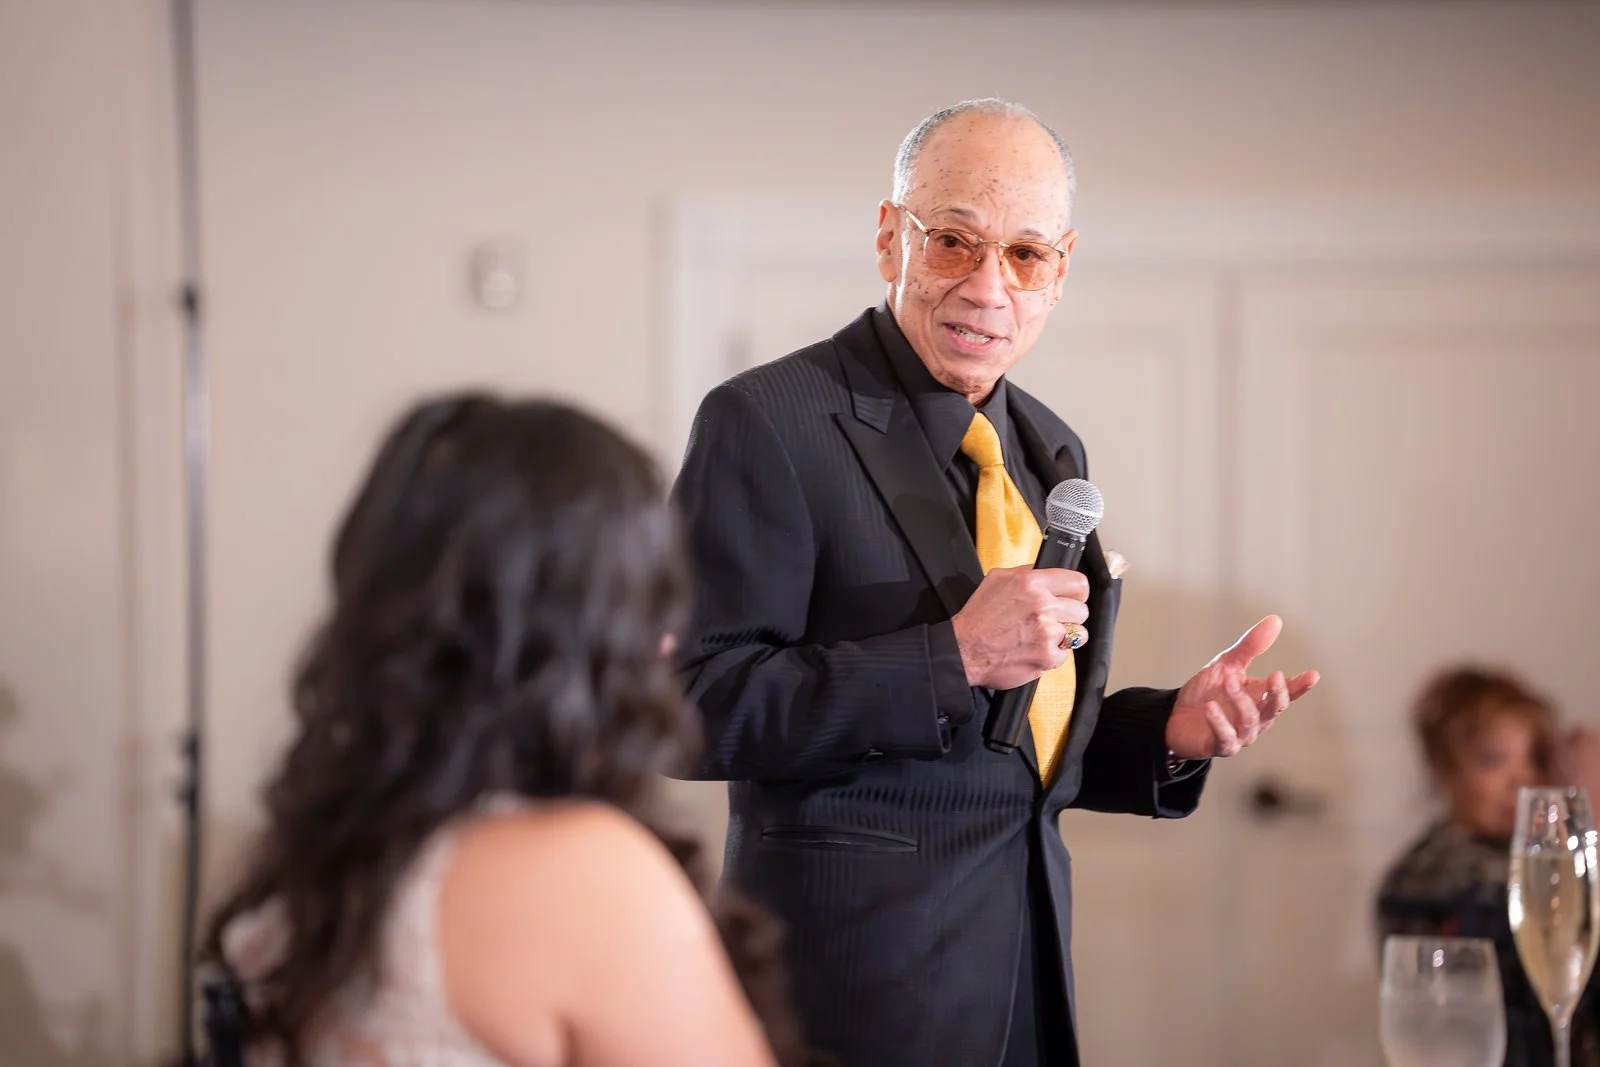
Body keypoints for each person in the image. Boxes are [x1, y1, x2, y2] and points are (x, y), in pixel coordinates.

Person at [671, 98, 1319, 1067]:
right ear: (889, 237)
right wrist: (951, 653)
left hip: (1024, 968)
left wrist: (1164, 730)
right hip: (848, 989)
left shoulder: (1046, 444)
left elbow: (1006, 742)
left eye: (1025, 254)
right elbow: (682, 707)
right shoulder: (768, 421)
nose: (987, 286)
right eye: (952, 241)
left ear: (1061, 269)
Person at [198, 395, 807, 1067]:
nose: (667, 636)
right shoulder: (578, 874)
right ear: (581, 626)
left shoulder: (326, 850)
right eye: (648, 593)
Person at [1376, 666, 1600, 1067]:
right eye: (1493, 760)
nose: (1522, 778)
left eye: (1536, 758)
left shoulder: (1543, 856)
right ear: (1443, 769)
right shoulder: (1428, 878)